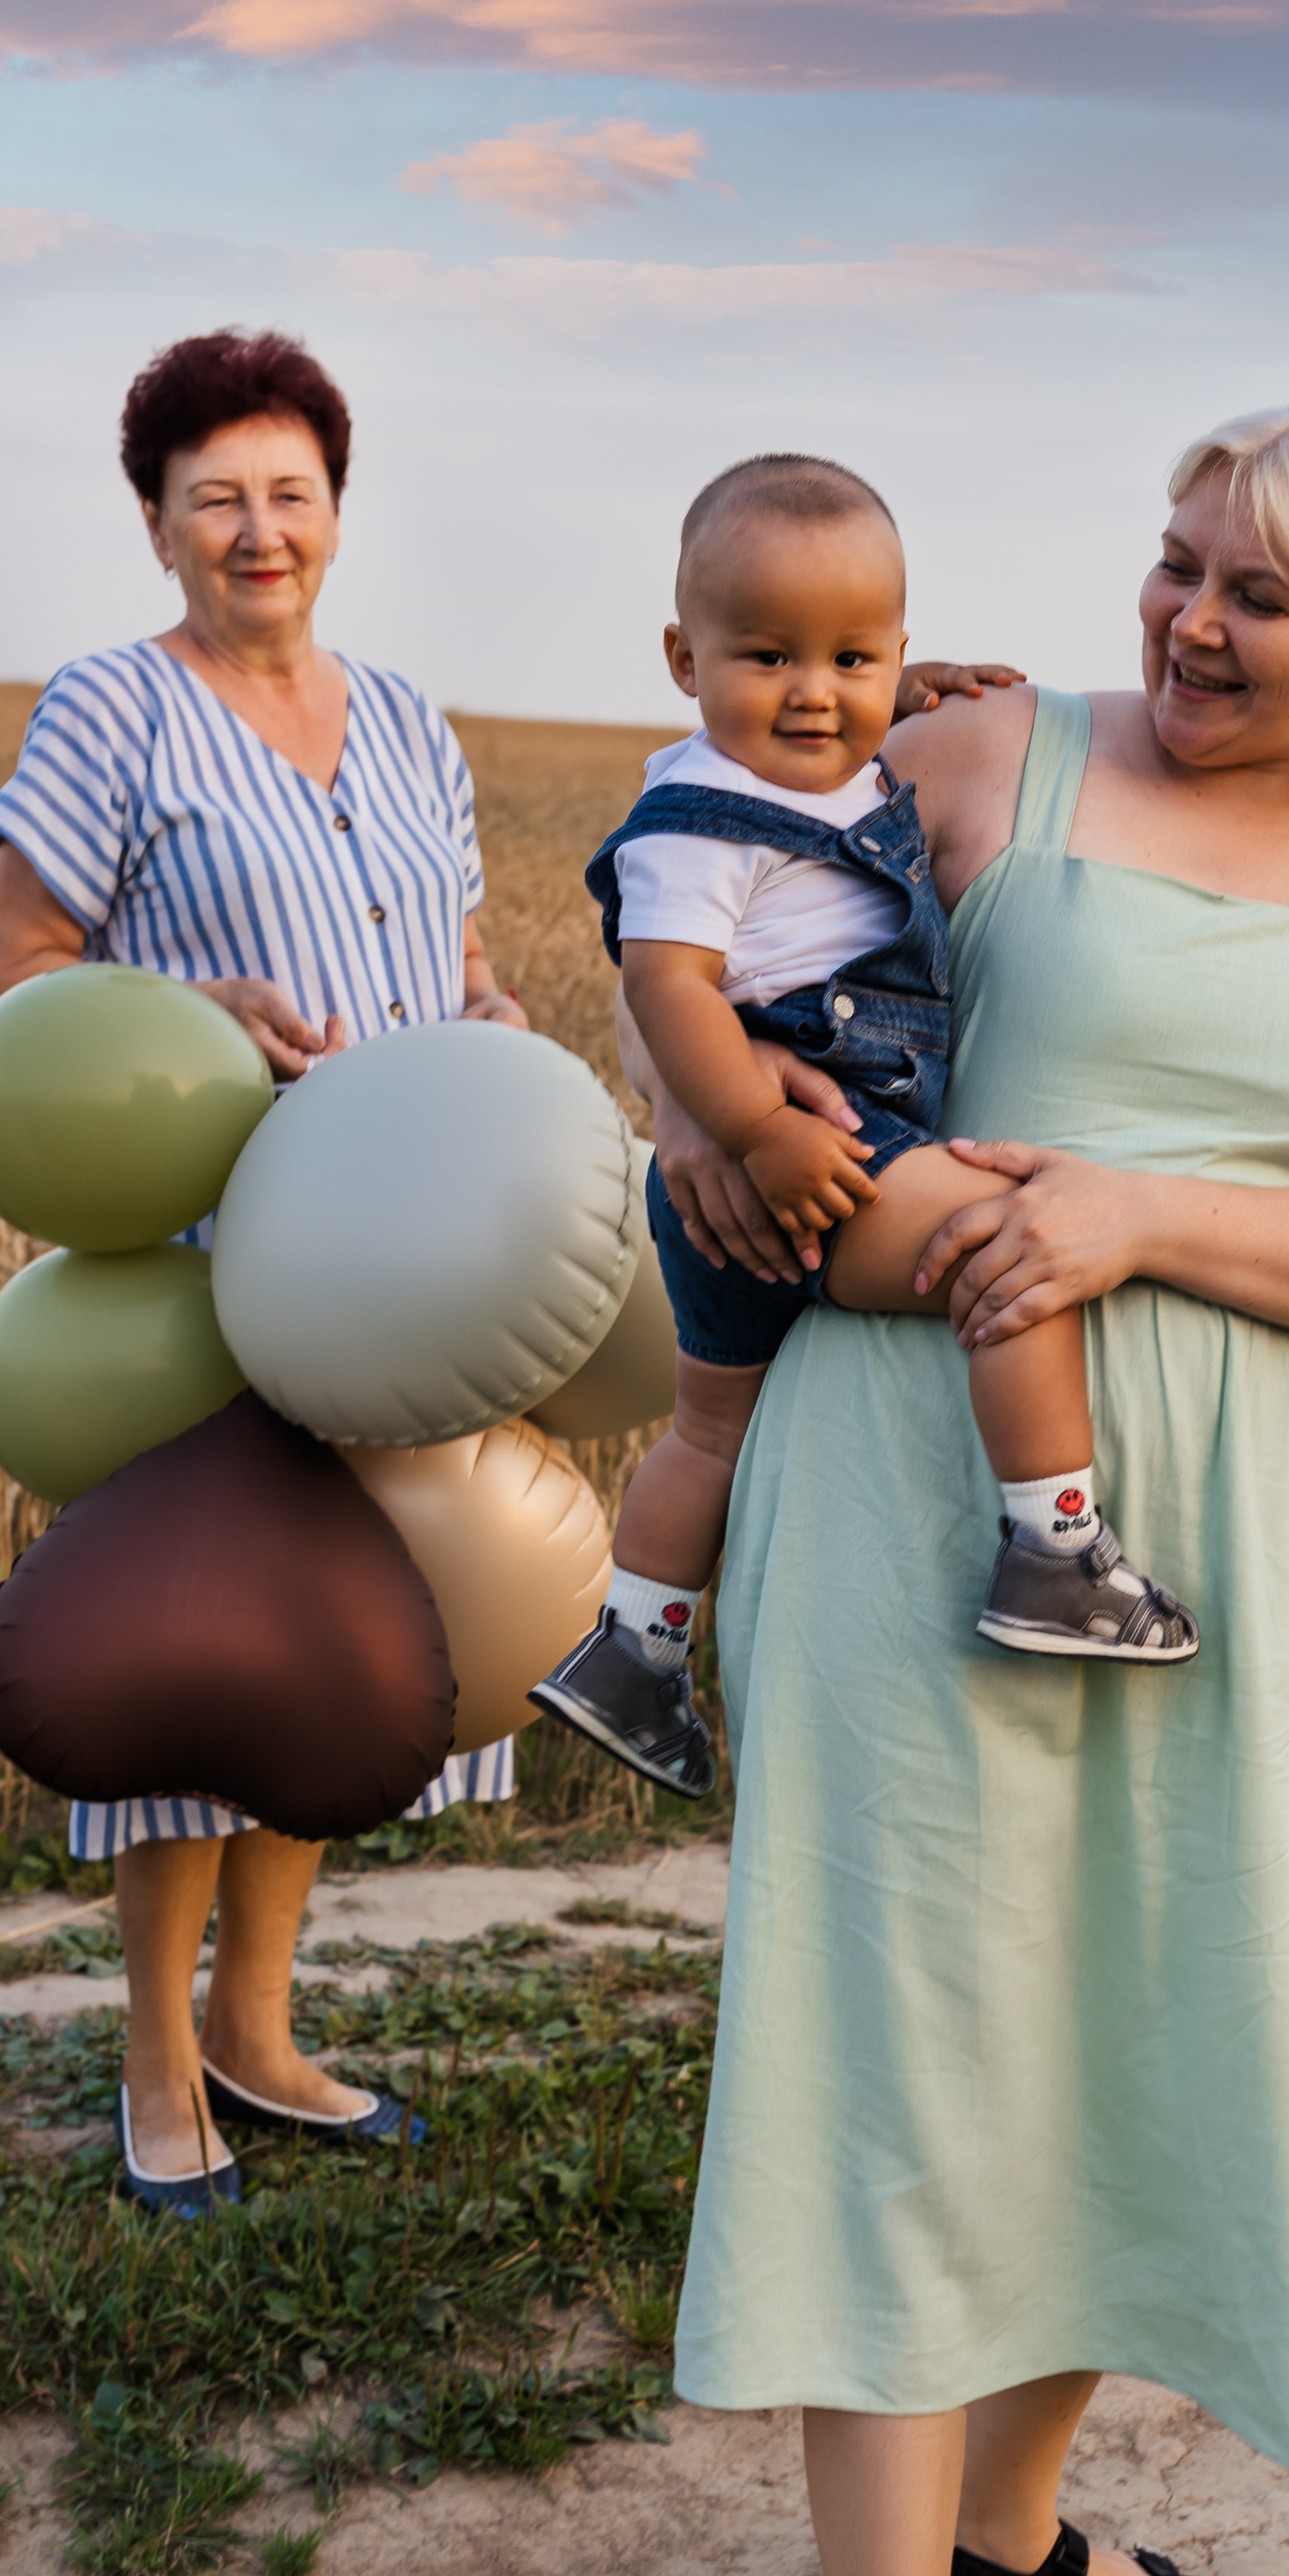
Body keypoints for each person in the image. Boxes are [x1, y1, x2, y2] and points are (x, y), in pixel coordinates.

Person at [649, 402, 1289, 2576]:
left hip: (1218, 1522)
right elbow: (707, 921)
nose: (1190, 619)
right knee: (912, 2071)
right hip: (927, 1496)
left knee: (1147, 2029)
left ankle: (1011, 2538)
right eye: (1175, 560)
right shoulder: (985, 753)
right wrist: (705, 1135)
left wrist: (1137, 1204)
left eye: (1258, 592)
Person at [0, 327, 532, 2218]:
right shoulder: (113, 711)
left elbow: (447, 971)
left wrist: (492, 1032)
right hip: (206, 1267)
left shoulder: (413, 724)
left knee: (345, 1647)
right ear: (156, 526)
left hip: (401, 1266)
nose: (256, 528)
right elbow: (6, 988)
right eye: (216, 497)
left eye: (289, 493)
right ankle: (152, 2058)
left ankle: (261, 2027)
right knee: (198, 1648)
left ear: (337, 514)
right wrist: (186, 1011)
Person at [531, 452, 1197, 1797]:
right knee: (1014, 1254)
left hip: (767, 1175)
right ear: (683, 656)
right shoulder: (696, 823)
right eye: (768, 656)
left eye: (853, 659)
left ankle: (634, 1653)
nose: (814, 695)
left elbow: (837, 715)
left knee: (705, 1434)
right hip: (808, 1158)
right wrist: (742, 1131)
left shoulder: (814, 761)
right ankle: (1055, 1549)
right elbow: (668, 988)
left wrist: (910, 681)